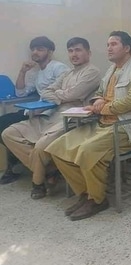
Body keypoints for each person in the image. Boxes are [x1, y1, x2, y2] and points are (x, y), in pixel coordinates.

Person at [45, 31, 131, 221]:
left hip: (128, 127)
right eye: (108, 44)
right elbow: (99, 92)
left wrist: (102, 107)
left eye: (113, 44)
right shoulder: (111, 69)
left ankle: (98, 200)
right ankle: (86, 193)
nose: (108, 48)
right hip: (103, 123)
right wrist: (97, 100)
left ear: (127, 48)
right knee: (57, 148)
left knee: (88, 151)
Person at [2, 37, 100, 199]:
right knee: (8, 133)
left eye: (78, 50)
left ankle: (38, 183)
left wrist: (60, 95)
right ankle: (49, 170)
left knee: (40, 147)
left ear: (88, 53)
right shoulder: (68, 73)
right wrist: (62, 96)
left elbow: (74, 94)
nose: (74, 54)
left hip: (72, 118)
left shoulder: (92, 71)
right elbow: (47, 92)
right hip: (51, 114)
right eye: (70, 51)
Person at [0, 36, 69, 184]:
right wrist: (22, 72)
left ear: (50, 52)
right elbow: (20, 93)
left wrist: (44, 106)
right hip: (33, 110)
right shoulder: (35, 72)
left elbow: (66, 93)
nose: (35, 52)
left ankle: (20, 167)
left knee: (5, 127)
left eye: (40, 49)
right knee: (2, 124)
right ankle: (46, 167)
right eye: (33, 49)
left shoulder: (58, 67)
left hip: (49, 113)